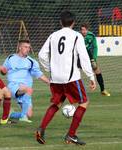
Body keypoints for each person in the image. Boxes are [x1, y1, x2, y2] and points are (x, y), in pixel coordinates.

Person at [36, 11, 96, 145]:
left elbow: (41, 55)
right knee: (84, 102)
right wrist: (91, 76)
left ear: (60, 22)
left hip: (56, 78)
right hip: (71, 78)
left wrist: (50, 69)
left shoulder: (53, 35)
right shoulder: (76, 35)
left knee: (56, 104)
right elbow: (84, 57)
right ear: (73, 23)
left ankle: (41, 128)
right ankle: (71, 135)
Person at [1, 39, 50, 123]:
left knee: (29, 114)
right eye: (25, 47)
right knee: (29, 89)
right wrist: (3, 71)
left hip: (25, 90)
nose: (27, 49)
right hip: (13, 86)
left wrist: (50, 82)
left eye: (29, 48)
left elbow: (39, 75)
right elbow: (3, 71)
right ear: (20, 47)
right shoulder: (11, 58)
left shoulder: (31, 62)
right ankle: (23, 117)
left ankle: (11, 113)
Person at [80, 23, 110, 96]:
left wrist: (94, 58)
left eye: (84, 30)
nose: (83, 31)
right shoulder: (78, 37)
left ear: (87, 30)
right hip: (80, 56)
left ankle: (103, 90)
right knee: (76, 72)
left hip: (90, 56)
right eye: (82, 30)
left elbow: (95, 47)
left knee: (97, 70)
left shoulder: (91, 36)